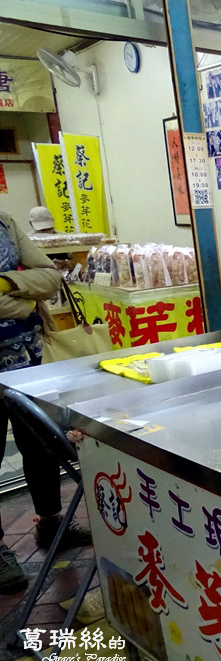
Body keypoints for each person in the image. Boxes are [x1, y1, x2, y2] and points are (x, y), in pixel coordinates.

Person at [0, 210, 91, 594]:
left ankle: (52, 521)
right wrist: (22, 297)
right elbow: (31, 293)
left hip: (26, 358)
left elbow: (50, 277)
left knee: (38, 444)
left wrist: (5, 283)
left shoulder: (5, 221)